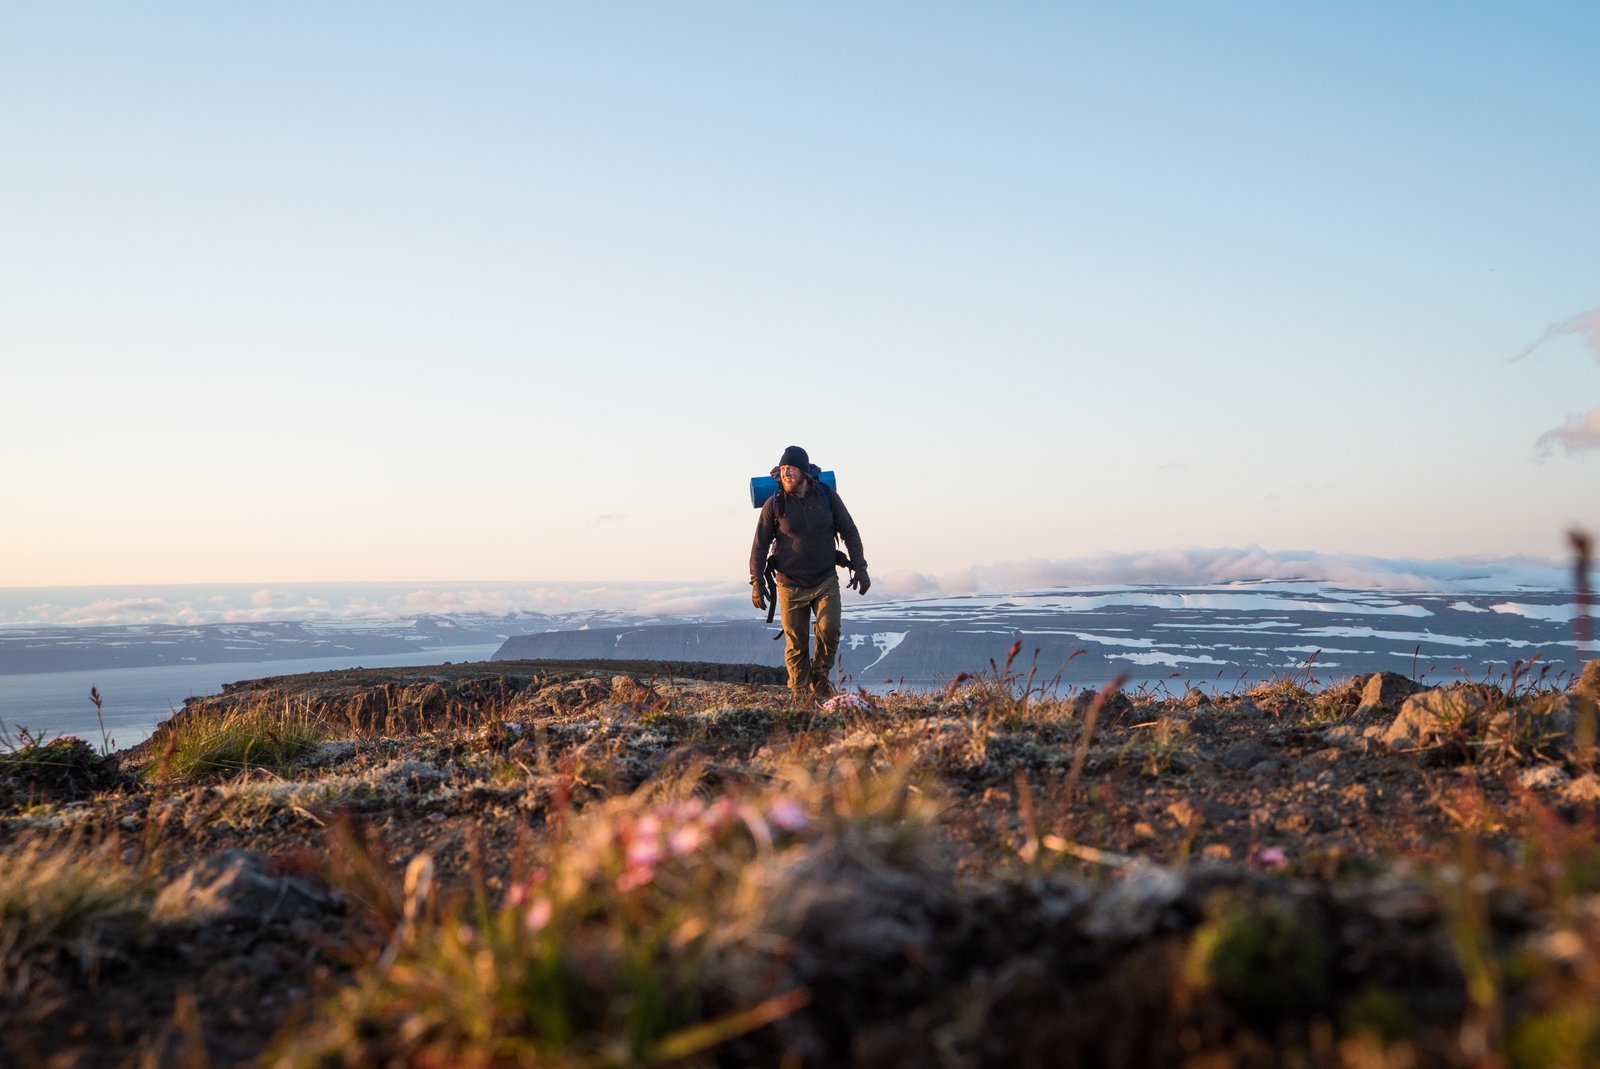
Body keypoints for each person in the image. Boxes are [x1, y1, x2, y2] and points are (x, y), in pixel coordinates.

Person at [750, 445, 870, 700]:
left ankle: (820, 676)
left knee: (829, 628)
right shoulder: (774, 504)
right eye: (782, 470)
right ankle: (799, 692)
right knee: (796, 644)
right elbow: (759, 546)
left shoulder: (827, 497)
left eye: (790, 469)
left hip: (824, 579)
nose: (786, 474)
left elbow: (850, 531)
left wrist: (860, 568)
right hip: (789, 583)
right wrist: (757, 582)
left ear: (804, 472)